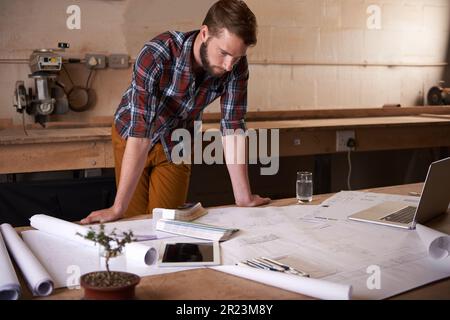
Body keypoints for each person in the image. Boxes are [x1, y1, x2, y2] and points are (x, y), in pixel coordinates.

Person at [81, 0, 270, 225]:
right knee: (133, 223)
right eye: (224, 53)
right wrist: (116, 208)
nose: (230, 65)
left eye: (237, 57)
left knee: (167, 224)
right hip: (133, 134)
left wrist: (243, 198)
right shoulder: (157, 54)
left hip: (178, 141)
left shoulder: (236, 67)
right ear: (205, 33)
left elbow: (233, 127)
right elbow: (140, 133)